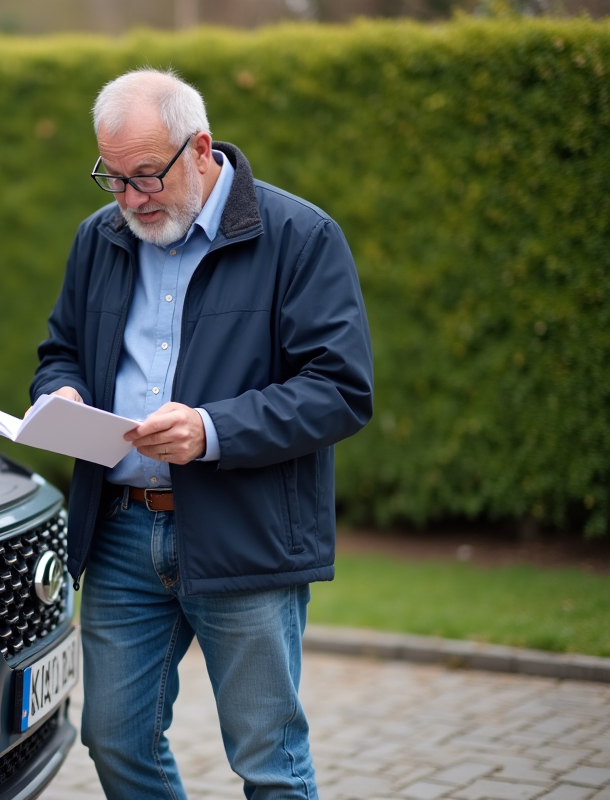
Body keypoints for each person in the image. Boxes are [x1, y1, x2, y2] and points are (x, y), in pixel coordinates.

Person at [30, 69, 373, 800]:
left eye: (146, 176)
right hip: (121, 535)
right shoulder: (100, 239)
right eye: (112, 179)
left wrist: (211, 429)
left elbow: (340, 391)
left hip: (244, 534)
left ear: (202, 148)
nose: (130, 200)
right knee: (115, 741)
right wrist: (62, 393)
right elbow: (60, 349)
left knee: (268, 761)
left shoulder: (301, 237)